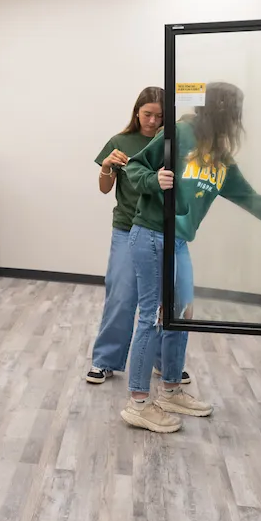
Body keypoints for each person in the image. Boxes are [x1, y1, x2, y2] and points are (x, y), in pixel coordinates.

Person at [119, 82, 261, 433]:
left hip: (178, 242)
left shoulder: (219, 156)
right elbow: (134, 169)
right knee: (151, 316)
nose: (236, 120)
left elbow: (254, 201)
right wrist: (155, 179)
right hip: (151, 234)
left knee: (182, 314)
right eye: (234, 112)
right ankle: (138, 402)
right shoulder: (179, 133)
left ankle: (171, 389)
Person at [85, 88, 191, 387]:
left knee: (168, 301)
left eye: (159, 116)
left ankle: (165, 364)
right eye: (147, 114)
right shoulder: (120, 142)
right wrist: (107, 166)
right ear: (136, 113)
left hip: (163, 230)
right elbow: (105, 189)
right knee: (121, 295)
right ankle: (105, 361)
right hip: (126, 228)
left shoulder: (172, 142)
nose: (153, 121)